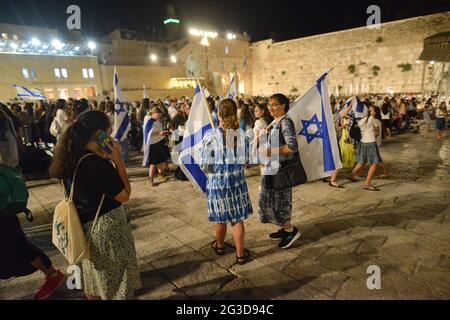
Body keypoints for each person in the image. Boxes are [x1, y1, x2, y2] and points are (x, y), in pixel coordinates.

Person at [49, 110, 140, 300]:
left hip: (83, 230)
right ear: (99, 134)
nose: (111, 136)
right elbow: (124, 195)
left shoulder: (71, 157)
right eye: (109, 131)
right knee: (116, 284)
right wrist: (117, 160)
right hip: (107, 231)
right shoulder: (96, 164)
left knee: (94, 281)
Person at [200, 98, 253, 264]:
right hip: (237, 182)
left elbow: (205, 165)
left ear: (219, 113)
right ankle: (240, 255)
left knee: (220, 217)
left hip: (218, 184)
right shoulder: (240, 135)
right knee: (237, 219)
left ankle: (220, 246)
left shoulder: (210, 136)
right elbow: (245, 161)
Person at [258, 93, 302, 249]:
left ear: (284, 105)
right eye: (269, 104)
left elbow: (292, 147)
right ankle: (284, 228)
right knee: (272, 201)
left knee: (280, 202)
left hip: (281, 171)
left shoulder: (286, 122)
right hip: (273, 169)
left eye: (275, 104)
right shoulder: (276, 122)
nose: (271, 107)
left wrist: (271, 151)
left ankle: (291, 230)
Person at [346, 103, 383, 191]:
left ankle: (351, 175)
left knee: (361, 162)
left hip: (363, 142)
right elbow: (377, 132)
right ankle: (367, 184)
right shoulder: (372, 119)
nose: (372, 111)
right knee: (374, 163)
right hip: (370, 142)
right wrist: (375, 133)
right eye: (371, 110)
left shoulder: (359, 120)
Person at [142, 107, 170, 186]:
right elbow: (148, 135)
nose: (159, 116)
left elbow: (159, 132)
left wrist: (164, 134)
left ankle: (160, 175)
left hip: (159, 142)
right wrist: (159, 133)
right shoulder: (149, 121)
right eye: (158, 115)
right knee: (153, 162)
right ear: (153, 113)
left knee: (160, 160)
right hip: (152, 144)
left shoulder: (158, 122)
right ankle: (150, 178)